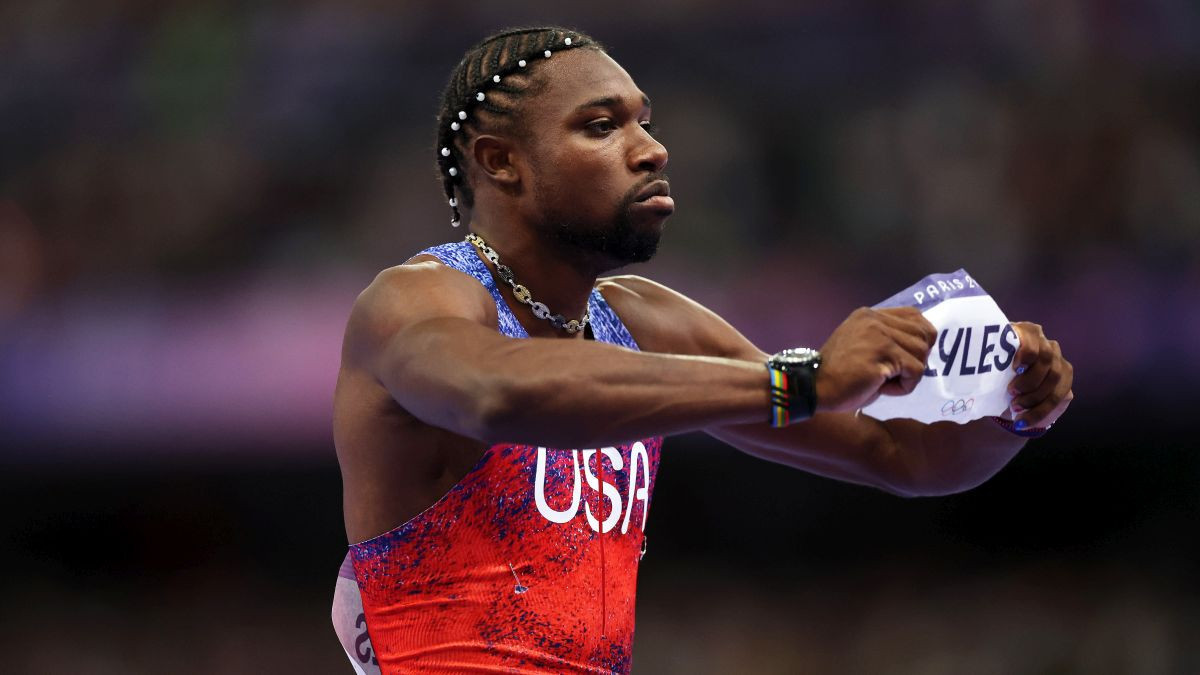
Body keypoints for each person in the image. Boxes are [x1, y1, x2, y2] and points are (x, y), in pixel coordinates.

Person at [330, 26, 1074, 674]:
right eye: (601, 126)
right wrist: (802, 380)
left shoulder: (643, 320)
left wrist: (1011, 410)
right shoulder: (411, 303)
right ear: (501, 162)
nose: (651, 150)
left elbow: (897, 452)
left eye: (644, 123)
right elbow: (496, 393)